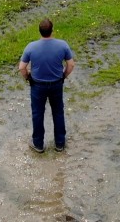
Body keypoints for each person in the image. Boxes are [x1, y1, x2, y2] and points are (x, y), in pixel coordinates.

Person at [19, 18, 75, 153]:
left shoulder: (31, 47)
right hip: (56, 84)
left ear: (39, 31)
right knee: (58, 112)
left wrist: (28, 78)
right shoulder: (62, 45)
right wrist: (63, 76)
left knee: (38, 114)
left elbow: (22, 67)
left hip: (37, 86)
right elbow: (71, 64)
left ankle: (38, 144)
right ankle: (60, 143)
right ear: (52, 30)